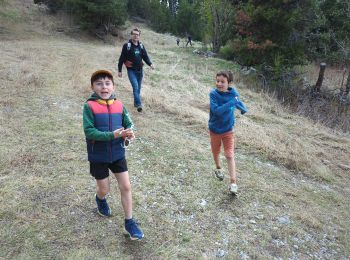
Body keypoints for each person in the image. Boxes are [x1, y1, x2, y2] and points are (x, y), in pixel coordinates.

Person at [83, 69, 144, 240]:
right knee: (105, 189)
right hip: (98, 156)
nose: (104, 87)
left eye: (107, 83)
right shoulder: (89, 107)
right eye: (99, 83)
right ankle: (100, 199)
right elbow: (89, 132)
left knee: (126, 186)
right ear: (93, 87)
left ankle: (129, 222)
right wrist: (113, 135)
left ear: (113, 86)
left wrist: (130, 131)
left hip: (117, 153)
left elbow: (129, 122)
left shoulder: (119, 105)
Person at [208, 71, 247, 195]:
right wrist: (232, 102)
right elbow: (217, 111)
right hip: (215, 130)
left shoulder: (233, 93)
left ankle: (233, 183)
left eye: (222, 82)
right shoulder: (213, 94)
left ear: (229, 83)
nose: (219, 83)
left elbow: (237, 102)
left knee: (229, 155)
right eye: (217, 81)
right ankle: (218, 168)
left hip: (228, 130)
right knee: (215, 152)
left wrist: (243, 109)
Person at [117, 28, 155, 112]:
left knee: (138, 88)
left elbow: (145, 56)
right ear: (131, 35)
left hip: (140, 70)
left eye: (137, 34)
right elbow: (121, 58)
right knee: (135, 87)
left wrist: (150, 64)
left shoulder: (141, 46)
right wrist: (119, 70)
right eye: (134, 34)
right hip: (131, 70)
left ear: (139, 36)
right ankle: (139, 105)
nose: (135, 36)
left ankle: (135, 103)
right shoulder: (127, 46)